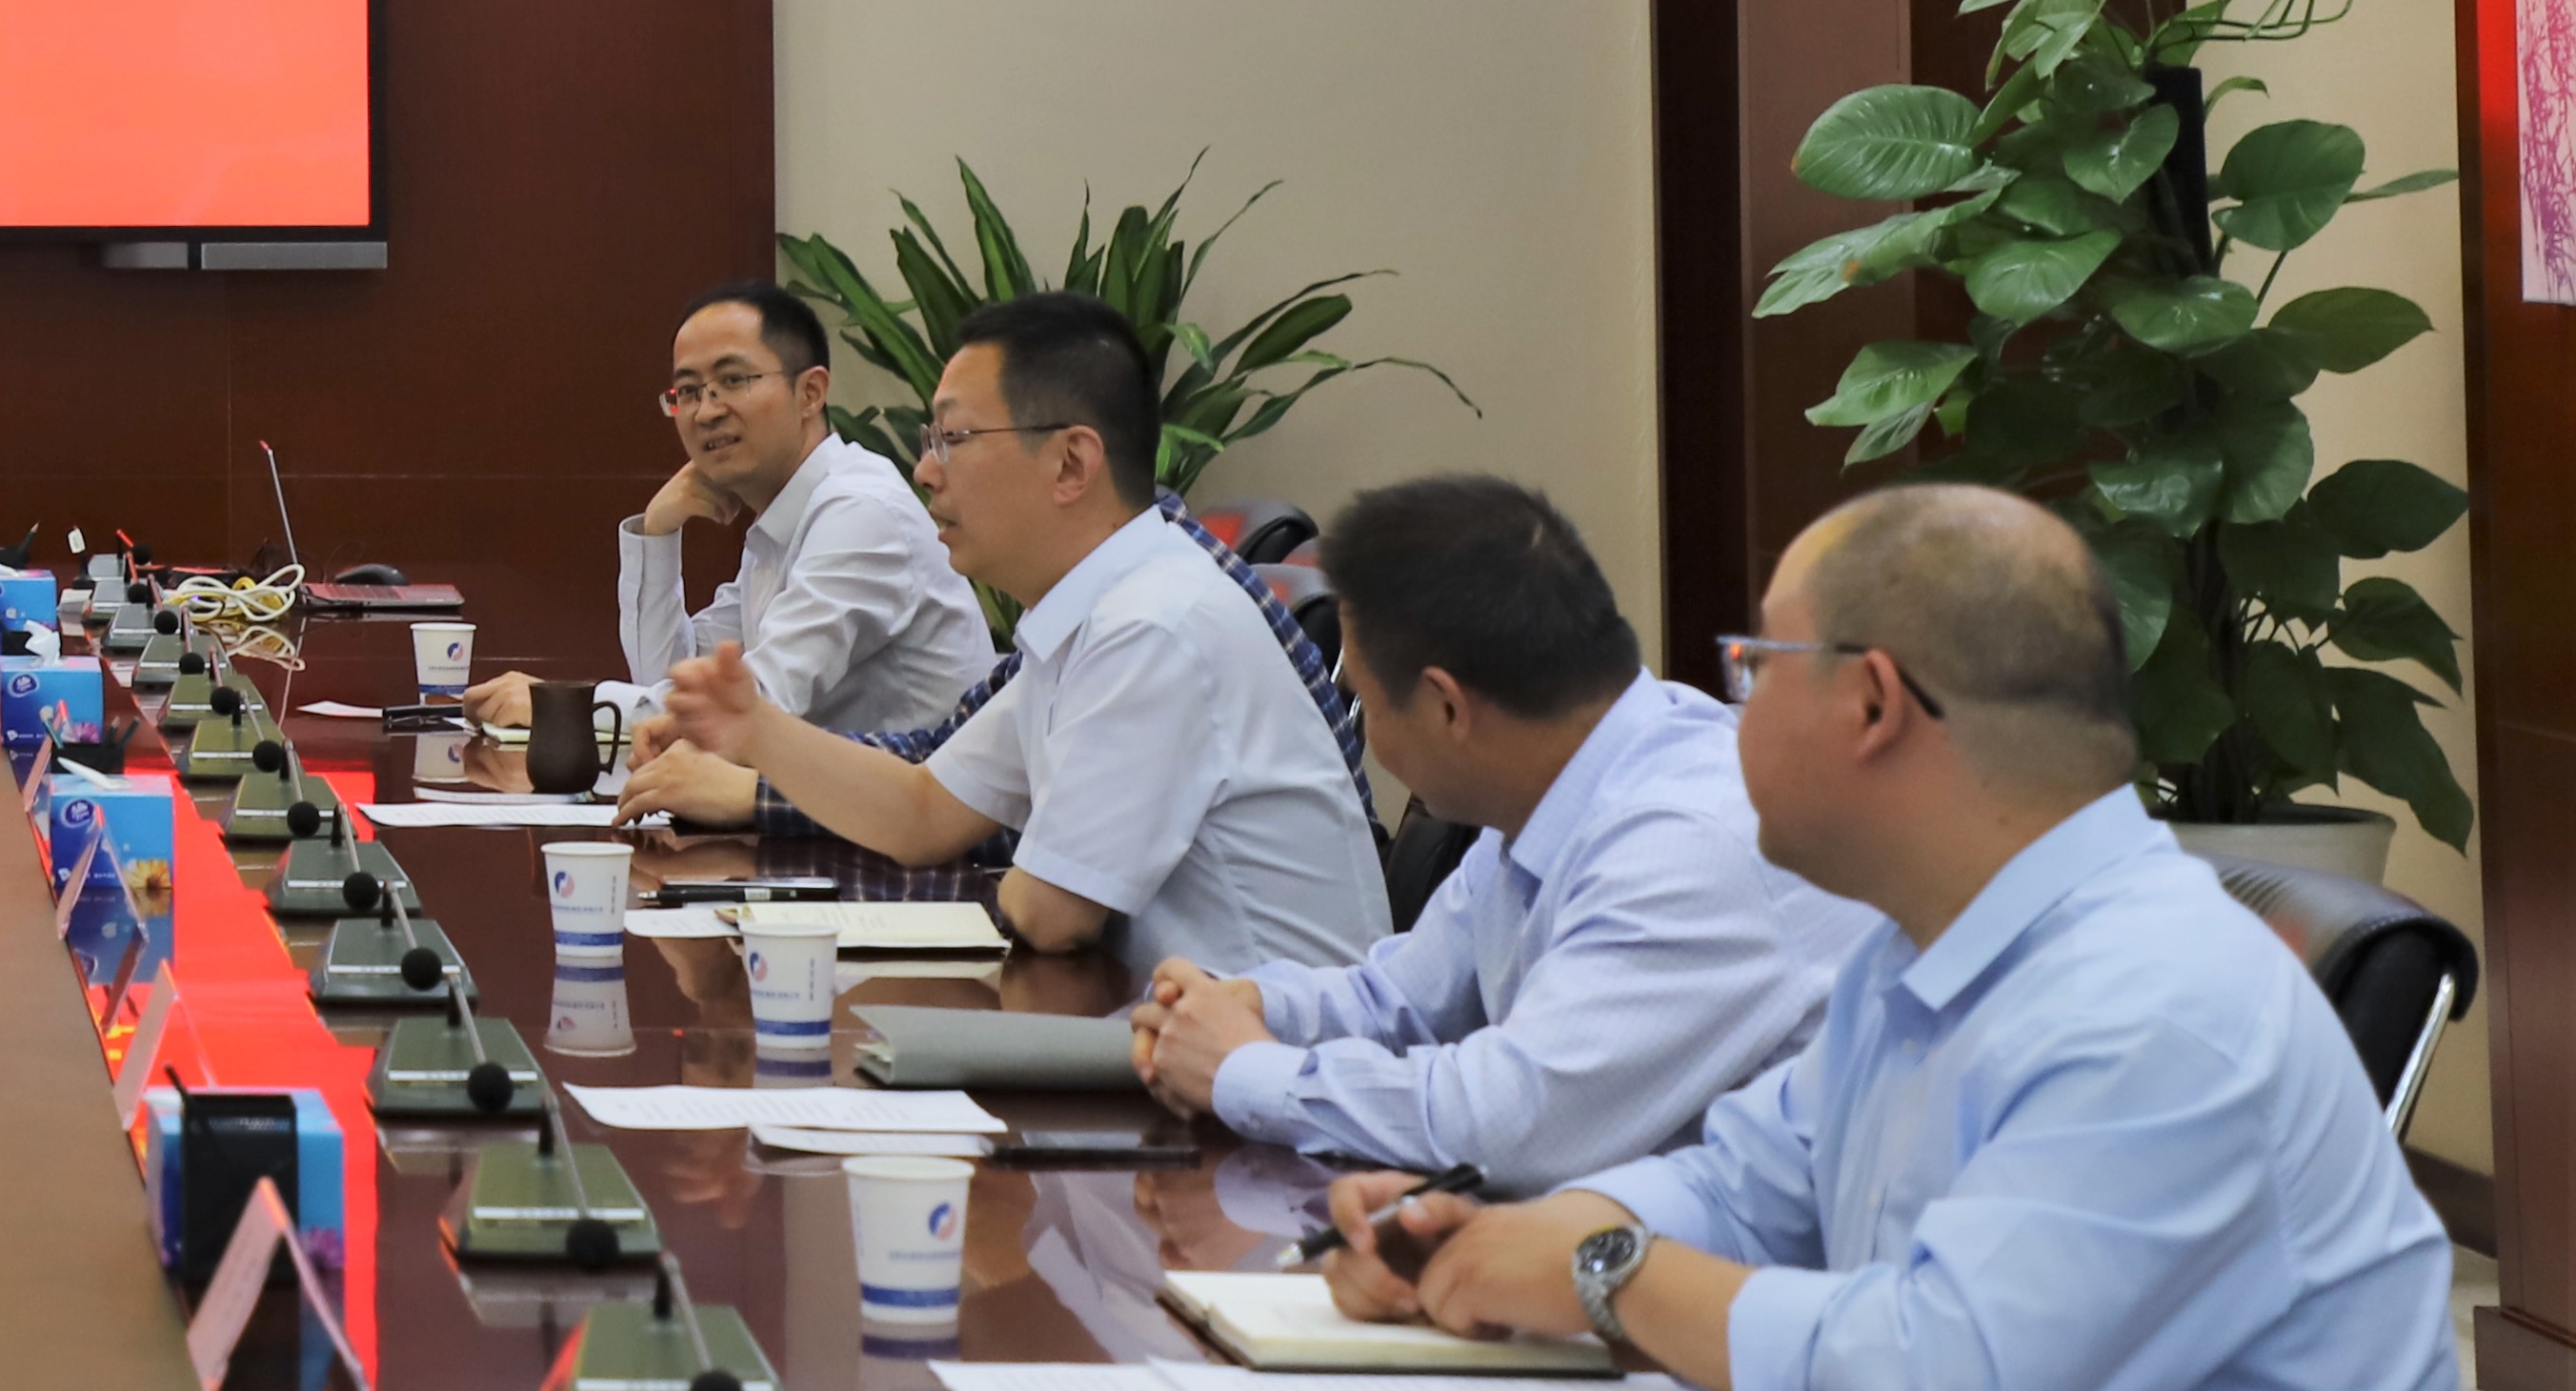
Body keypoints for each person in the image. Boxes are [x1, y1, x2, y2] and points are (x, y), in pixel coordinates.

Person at [1325, 485, 2460, 1391]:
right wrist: (1497, 1243)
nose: (1727, 713)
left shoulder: (2154, 1000)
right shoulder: (1915, 951)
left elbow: (1959, 1382)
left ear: (1871, 702)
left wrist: (1606, 1270)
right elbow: (1744, 1183)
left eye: (1756, 667)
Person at [1125, 473, 1862, 1184]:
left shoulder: (1684, 845)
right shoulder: (1558, 782)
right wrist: (1243, 1005)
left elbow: (1506, 1125)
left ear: (1446, 707)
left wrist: (1245, 1069)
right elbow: (1399, 1000)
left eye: (1367, 704)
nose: (1368, 735)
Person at [666, 293, 1383, 972]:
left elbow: (1050, 913)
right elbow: (923, 810)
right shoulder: (1094, 611)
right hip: (1172, 1023)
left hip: (1273, 1046)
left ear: (1070, 462)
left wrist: (1021, 871)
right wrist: (756, 729)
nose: (925, 470)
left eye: (953, 438)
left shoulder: (1154, 623)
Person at [464, 283, 984, 754]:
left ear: (810, 393)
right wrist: (657, 533)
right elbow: (672, 680)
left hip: (915, 824)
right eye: (688, 392)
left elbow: (754, 705)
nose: (706, 411)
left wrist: (566, 706)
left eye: (733, 380)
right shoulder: (782, 522)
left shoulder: (859, 511)